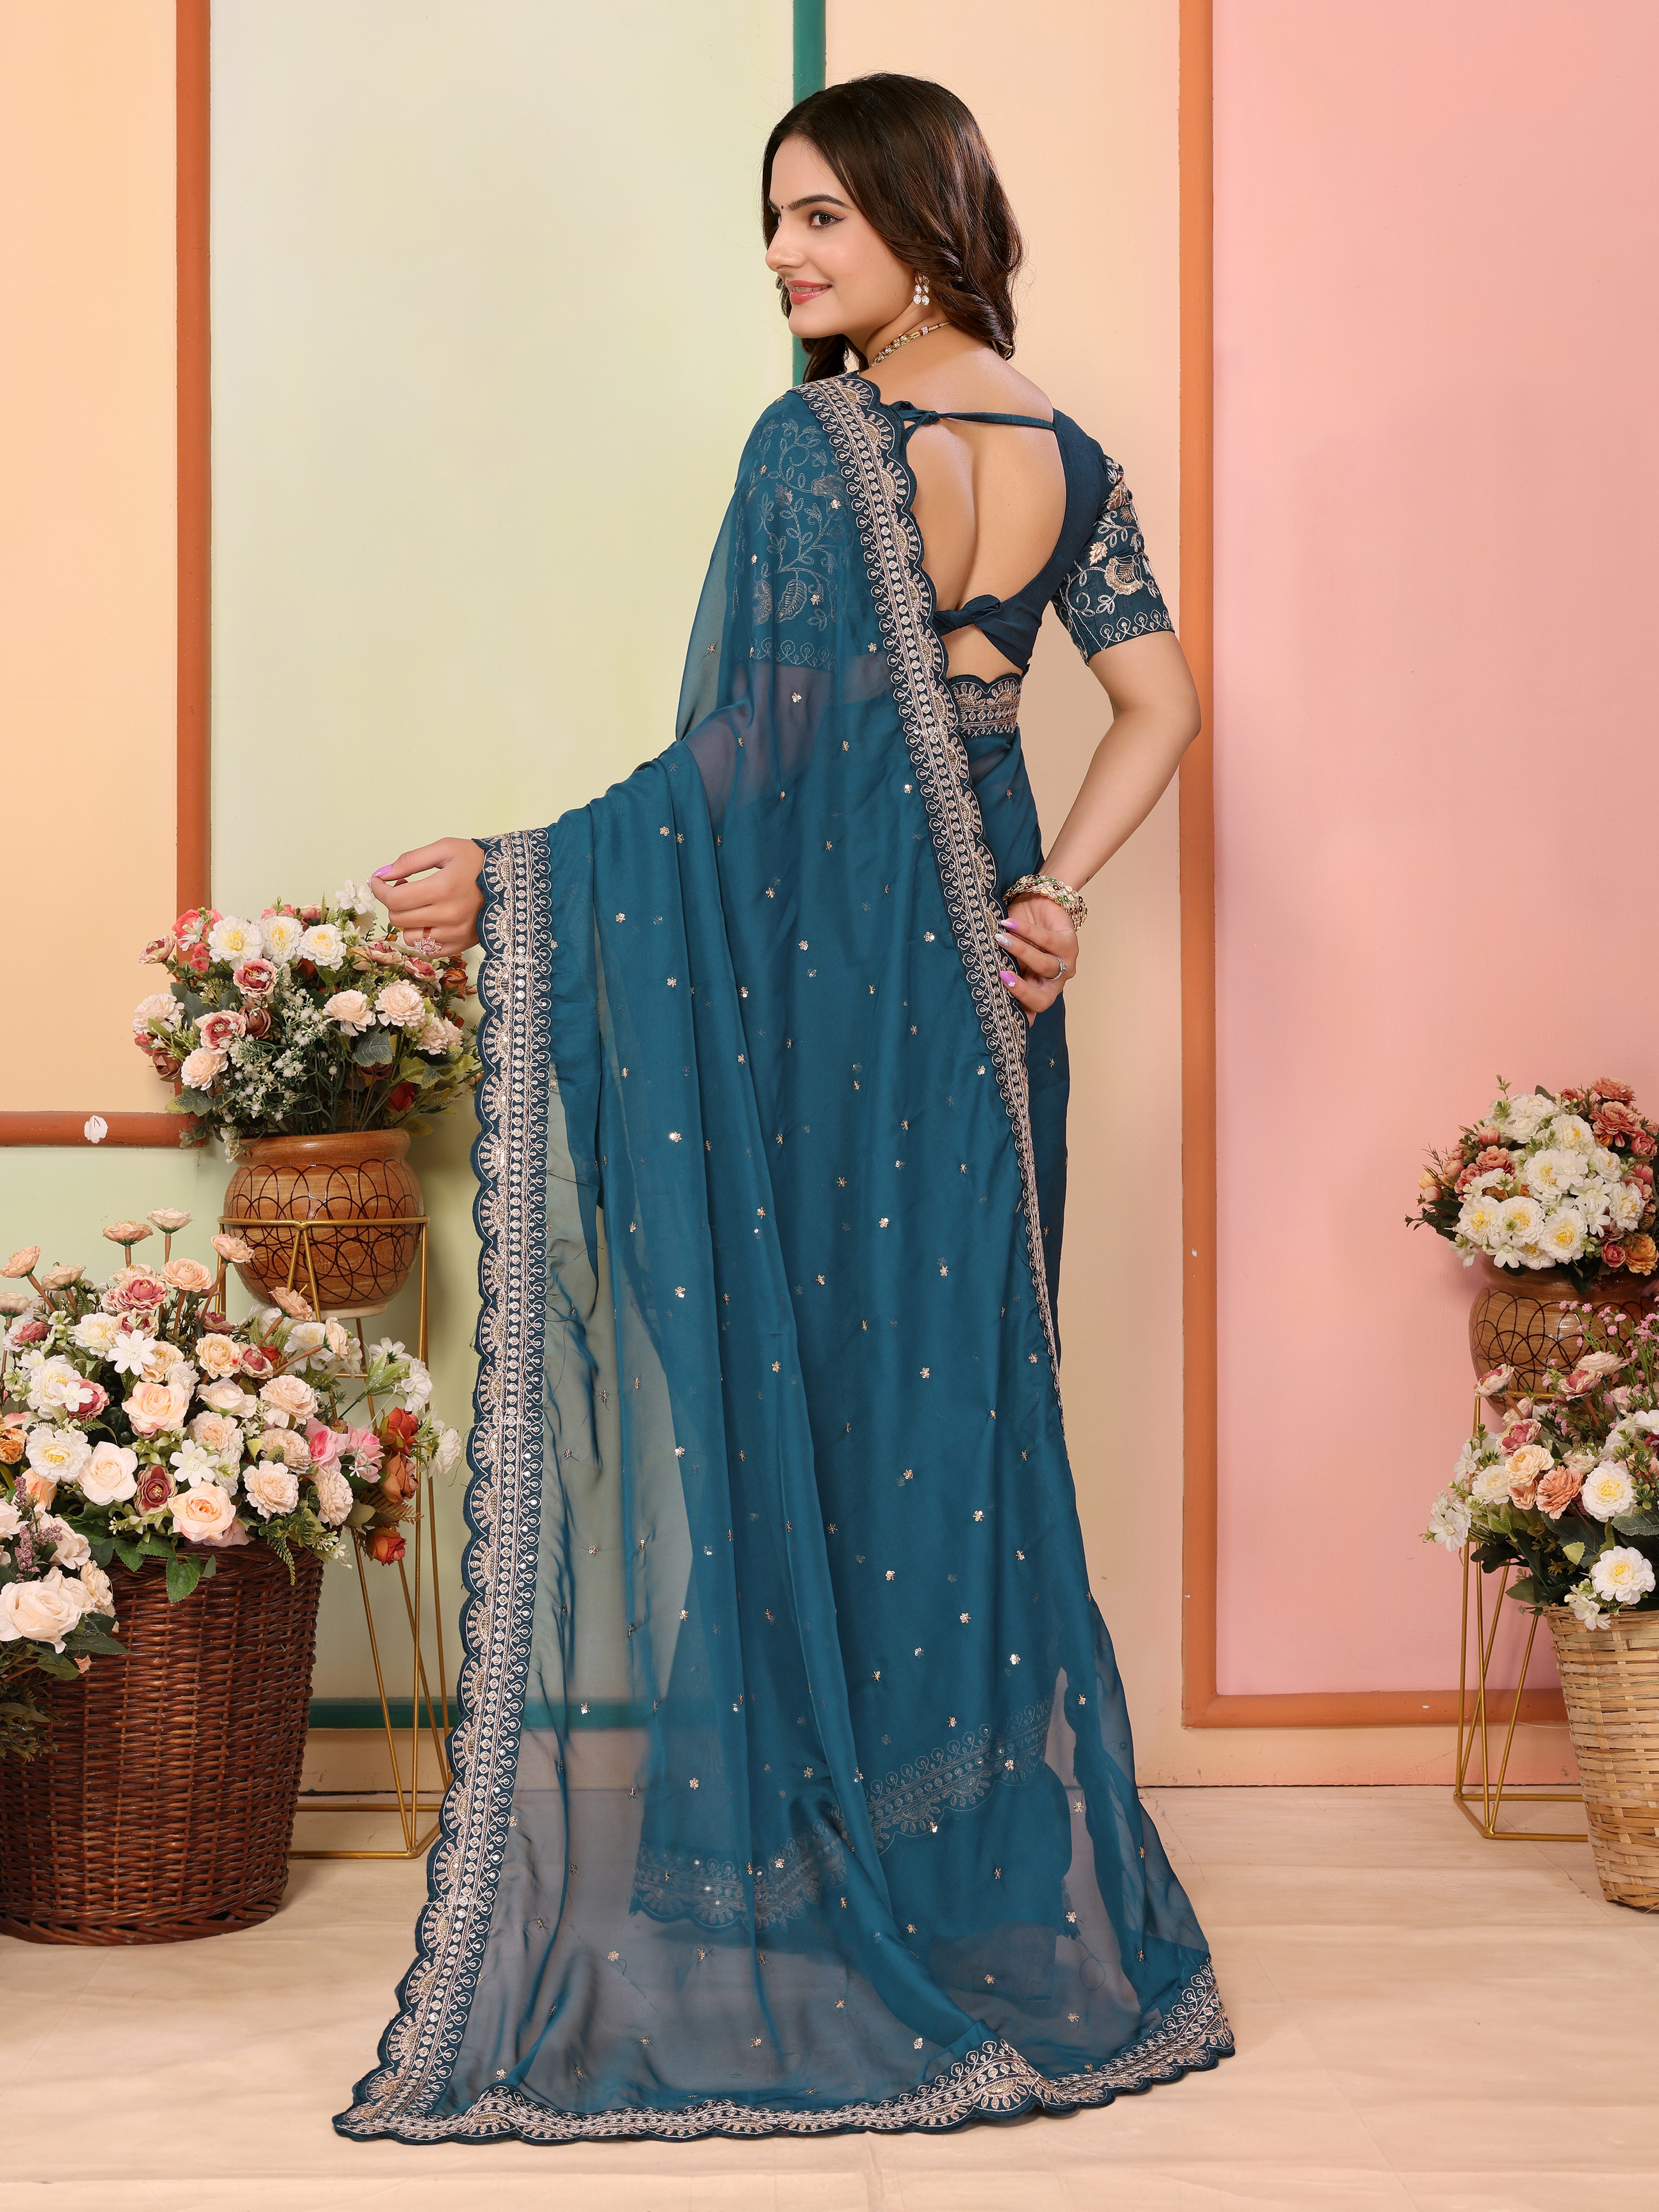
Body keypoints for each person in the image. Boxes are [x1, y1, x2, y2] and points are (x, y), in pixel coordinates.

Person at [337, 73, 1229, 2146]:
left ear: (926, 214)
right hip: (984, 998)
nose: (785, 255)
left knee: (800, 1389)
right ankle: (964, 1879)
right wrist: (1053, 892)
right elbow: (1163, 705)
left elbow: (759, 748)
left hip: (839, 990)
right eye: (776, 220)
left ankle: (813, 1880)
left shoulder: (818, 446)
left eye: (823, 216)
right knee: (952, 1409)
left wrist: (523, 869)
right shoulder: (1069, 453)